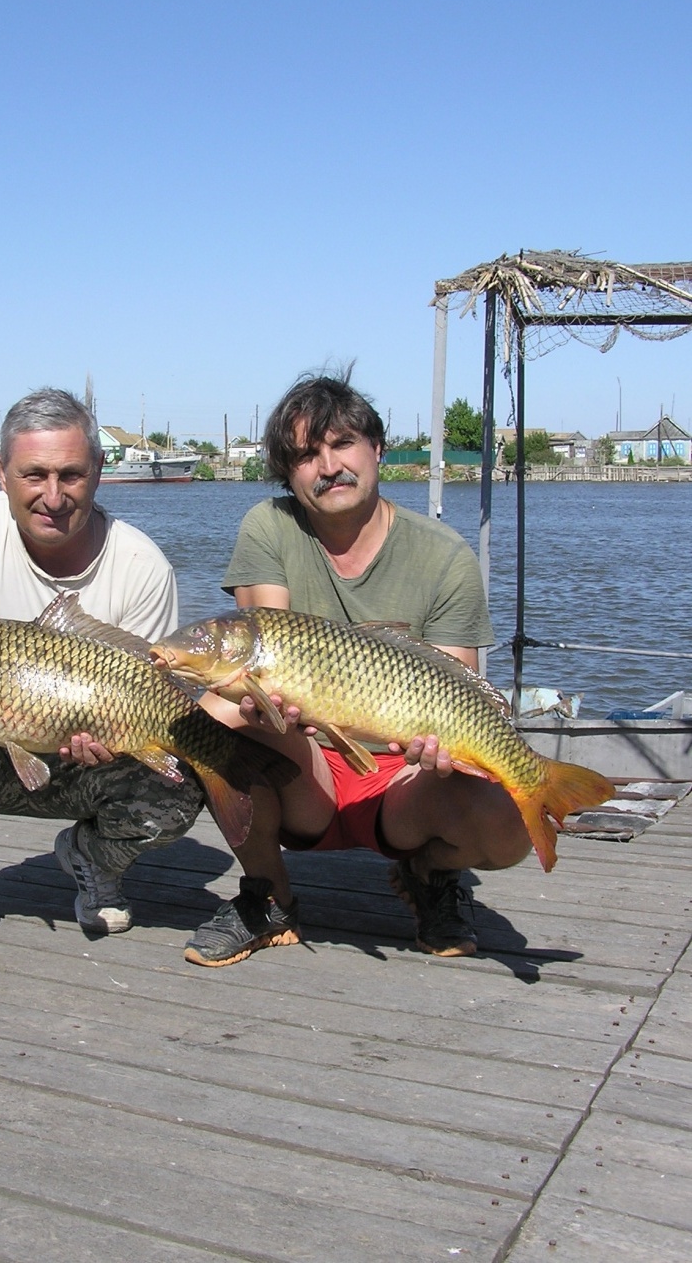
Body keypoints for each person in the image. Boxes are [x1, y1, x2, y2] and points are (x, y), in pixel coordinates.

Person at [182, 367, 531, 967]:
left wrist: (445, 752)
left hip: (405, 776)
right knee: (213, 716)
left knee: (510, 829)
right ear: (288, 474)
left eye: (342, 443)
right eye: (305, 455)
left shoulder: (444, 555)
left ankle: (428, 870)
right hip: (306, 761)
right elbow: (262, 650)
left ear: (377, 448)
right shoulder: (270, 526)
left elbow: (459, 683)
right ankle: (269, 895)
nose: (328, 466)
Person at [0, 387, 205, 973]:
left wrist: (111, 744)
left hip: (87, 757)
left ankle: (93, 857)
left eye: (71, 475)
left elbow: (156, 696)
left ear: (98, 473)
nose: (53, 496)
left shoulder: (142, 565)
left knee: (188, 773)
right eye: (34, 475)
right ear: (2, 475)